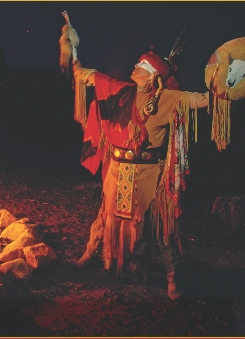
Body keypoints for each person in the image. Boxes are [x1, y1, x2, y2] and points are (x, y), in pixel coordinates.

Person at [72, 47, 209, 301]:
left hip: (151, 175)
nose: (136, 67)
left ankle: (173, 276)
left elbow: (201, 99)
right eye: (137, 64)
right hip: (118, 169)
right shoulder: (123, 92)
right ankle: (91, 253)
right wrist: (76, 64)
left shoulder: (170, 99)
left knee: (162, 227)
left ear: (154, 77)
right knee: (106, 216)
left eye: (143, 67)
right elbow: (95, 78)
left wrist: (230, 89)